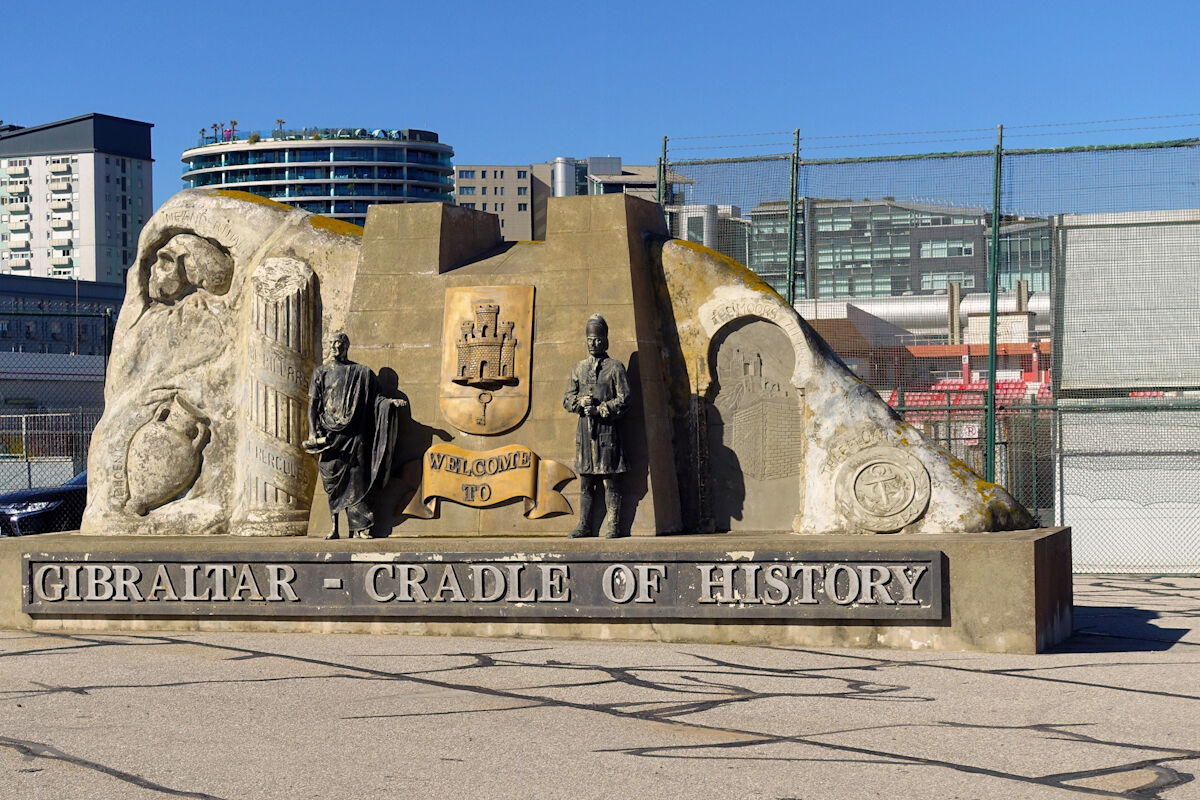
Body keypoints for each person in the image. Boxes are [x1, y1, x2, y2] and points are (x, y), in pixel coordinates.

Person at [304, 332, 404, 539]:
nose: (336, 348)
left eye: (340, 344)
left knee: (357, 481)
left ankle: (360, 528)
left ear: (346, 347)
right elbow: (313, 405)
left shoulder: (361, 373)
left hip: (355, 436)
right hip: (330, 437)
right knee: (332, 483)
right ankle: (334, 528)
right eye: (332, 344)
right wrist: (313, 432)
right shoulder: (321, 372)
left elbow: (376, 400)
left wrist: (389, 403)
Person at [562, 314, 631, 538]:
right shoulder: (579, 368)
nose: (594, 344)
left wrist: (601, 408)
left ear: (606, 340)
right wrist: (580, 403)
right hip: (585, 433)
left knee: (610, 481)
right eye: (590, 340)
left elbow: (624, 399)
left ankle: (613, 525)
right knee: (586, 482)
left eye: (598, 339)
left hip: (607, 431)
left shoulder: (615, 367)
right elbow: (567, 399)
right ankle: (584, 525)